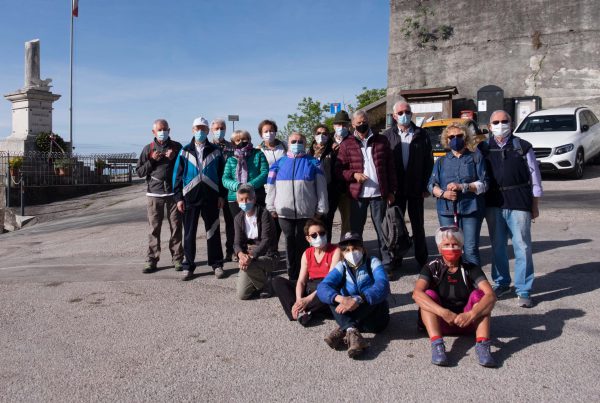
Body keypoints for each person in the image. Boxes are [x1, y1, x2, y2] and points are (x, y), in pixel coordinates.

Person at [478, 110, 543, 308]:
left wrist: (534, 205)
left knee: (522, 246)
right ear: (489, 126)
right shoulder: (483, 148)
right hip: (494, 204)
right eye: (495, 122)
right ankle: (502, 283)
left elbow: (535, 177)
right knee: (497, 246)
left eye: (504, 121)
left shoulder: (523, 146)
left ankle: (523, 289)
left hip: (519, 202)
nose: (500, 125)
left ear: (511, 123)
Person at [412, 226, 497, 367]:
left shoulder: (471, 268)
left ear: (461, 247)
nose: (451, 248)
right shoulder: (431, 267)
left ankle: (483, 345)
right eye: (446, 245)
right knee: (427, 295)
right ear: (439, 248)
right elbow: (417, 294)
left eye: (455, 244)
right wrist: (443, 312)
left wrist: (471, 314)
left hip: (467, 321)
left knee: (480, 295)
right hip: (441, 321)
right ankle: (437, 344)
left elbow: (491, 296)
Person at [335, 110, 397, 273]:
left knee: (382, 231)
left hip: (379, 194)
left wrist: (391, 190)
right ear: (353, 125)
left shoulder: (381, 140)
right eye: (358, 123)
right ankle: (358, 263)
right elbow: (339, 170)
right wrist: (353, 175)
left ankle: (386, 263)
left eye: (364, 121)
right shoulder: (346, 143)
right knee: (356, 232)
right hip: (357, 196)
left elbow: (391, 167)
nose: (362, 125)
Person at [317, 232, 390, 359]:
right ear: (343, 253)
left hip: (376, 319)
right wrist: (342, 299)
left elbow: (383, 285)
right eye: (347, 250)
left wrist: (359, 299)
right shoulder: (342, 266)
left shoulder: (372, 262)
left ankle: (344, 328)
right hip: (354, 316)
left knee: (372, 295)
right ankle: (352, 332)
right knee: (332, 297)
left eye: (355, 248)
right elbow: (322, 287)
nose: (351, 252)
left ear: (362, 248)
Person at [266, 132, 328, 281]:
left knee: (304, 245)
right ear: (288, 143)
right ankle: (293, 276)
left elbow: (321, 188)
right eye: (293, 141)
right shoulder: (278, 163)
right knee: (289, 244)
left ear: (305, 143)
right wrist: (271, 206)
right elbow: (270, 186)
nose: (296, 143)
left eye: (300, 141)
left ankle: (306, 275)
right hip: (284, 213)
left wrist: (321, 209)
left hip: (306, 213)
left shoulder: (314, 162)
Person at [173, 116, 226, 281]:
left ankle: (217, 264)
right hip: (190, 198)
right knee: (189, 233)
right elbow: (177, 176)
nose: (201, 131)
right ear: (193, 130)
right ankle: (188, 266)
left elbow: (222, 175)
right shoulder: (184, 151)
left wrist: (222, 196)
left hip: (211, 197)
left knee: (213, 232)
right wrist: (178, 198)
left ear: (207, 131)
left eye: (204, 128)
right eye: (198, 128)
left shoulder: (216, 151)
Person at [428, 122, 488, 266]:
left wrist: (464, 187)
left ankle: (473, 284)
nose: (455, 139)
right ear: (446, 140)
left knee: (470, 249)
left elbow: (485, 184)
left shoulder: (476, 158)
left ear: (465, 137)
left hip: (471, 209)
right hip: (446, 211)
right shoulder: (441, 161)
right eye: (451, 136)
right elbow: (431, 185)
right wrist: (443, 194)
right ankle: (452, 283)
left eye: (459, 135)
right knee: (449, 250)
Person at [383, 99, 433, 270]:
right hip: (396, 191)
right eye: (401, 113)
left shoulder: (421, 134)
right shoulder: (387, 136)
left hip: (416, 188)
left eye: (408, 112)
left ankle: (422, 260)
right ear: (394, 116)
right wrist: (388, 189)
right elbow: (383, 165)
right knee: (395, 226)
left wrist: (426, 186)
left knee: (418, 225)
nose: (405, 115)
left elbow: (429, 162)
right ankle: (395, 259)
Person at [272, 218, 341, 326]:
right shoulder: (307, 253)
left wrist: (307, 300)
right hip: (310, 286)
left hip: (326, 287)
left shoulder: (335, 250)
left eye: (322, 233)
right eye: (314, 235)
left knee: (328, 293)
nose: (319, 237)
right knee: (277, 281)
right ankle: (299, 310)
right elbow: (301, 281)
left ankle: (303, 311)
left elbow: (330, 281)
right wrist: (299, 300)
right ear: (308, 239)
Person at [135, 119, 183, 273]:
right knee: (154, 228)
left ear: (169, 130)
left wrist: (174, 157)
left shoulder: (177, 147)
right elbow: (140, 172)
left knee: (176, 228)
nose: (163, 132)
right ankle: (151, 260)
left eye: (165, 129)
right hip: (154, 194)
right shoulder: (147, 148)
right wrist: (152, 160)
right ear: (153, 132)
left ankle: (177, 259)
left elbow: (185, 167)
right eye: (160, 130)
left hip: (173, 194)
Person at [233, 184, 277, 300]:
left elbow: (266, 240)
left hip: (267, 255)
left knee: (249, 265)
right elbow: (236, 243)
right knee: (242, 295)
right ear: (237, 201)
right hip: (249, 258)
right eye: (241, 199)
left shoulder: (264, 214)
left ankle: (267, 284)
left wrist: (251, 256)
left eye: (248, 199)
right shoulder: (238, 218)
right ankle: (262, 280)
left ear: (254, 199)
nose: (245, 202)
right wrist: (241, 255)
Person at [222, 129, 269, 217]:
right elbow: (225, 179)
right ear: (233, 143)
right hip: (235, 198)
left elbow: (265, 173)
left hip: (256, 195)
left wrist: (250, 185)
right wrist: (238, 186)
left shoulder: (258, 154)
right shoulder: (231, 159)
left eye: (244, 139)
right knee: (238, 226)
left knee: (258, 224)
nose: (241, 142)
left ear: (249, 139)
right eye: (238, 140)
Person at [257, 119, 287, 253]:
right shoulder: (258, 150)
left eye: (271, 130)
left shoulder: (285, 146)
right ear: (261, 134)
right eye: (266, 131)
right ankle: (270, 251)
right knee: (269, 222)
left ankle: (280, 250)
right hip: (266, 190)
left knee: (281, 220)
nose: (269, 133)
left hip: (284, 188)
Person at [210, 118, 237, 262]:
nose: (219, 131)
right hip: (212, 189)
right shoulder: (208, 147)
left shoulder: (232, 147)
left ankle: (231, 250)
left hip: (228, 190)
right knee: (213, 223)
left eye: (222, 128)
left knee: (231, 223)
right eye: (216, 128)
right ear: (211, 130)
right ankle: (216, 254)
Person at [308, 124, 338, 242]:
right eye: (319, 133)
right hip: (312, 192)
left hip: (330, 192)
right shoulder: (309, 152)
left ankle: (327, 249)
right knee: (313, 224)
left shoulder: (334, 150)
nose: (322, 136)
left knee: (326, 222)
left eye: (325, 133)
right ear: (314, 135)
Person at [330, 110, 353, 236]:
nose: (341, 127)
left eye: (344, 124)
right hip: (329, 186)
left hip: (346, 187)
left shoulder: (354, 140)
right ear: (334, 126)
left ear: (349, 126)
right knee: (327, 219)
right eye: (338, 124)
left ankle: (345, 247)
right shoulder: (326, 140)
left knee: (347, 220)